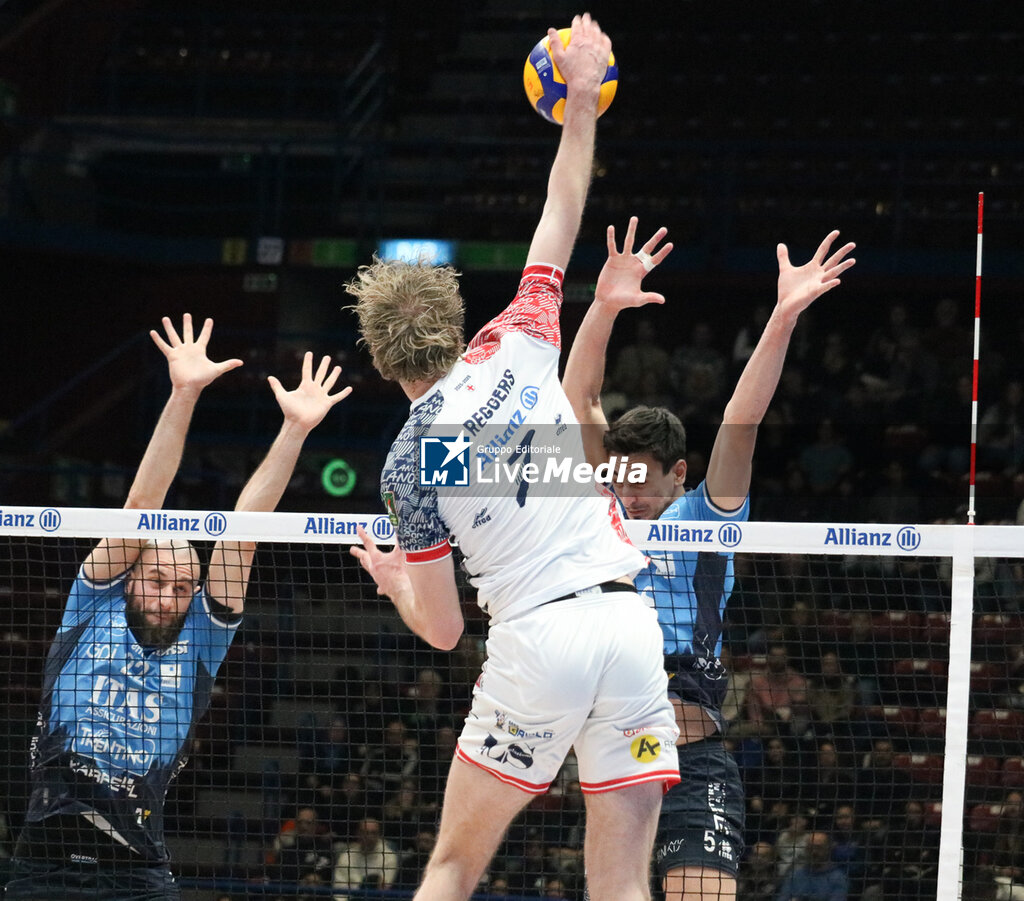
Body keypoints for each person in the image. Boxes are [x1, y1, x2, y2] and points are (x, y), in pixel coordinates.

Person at [346, 14, 680, 901]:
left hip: (539, 641)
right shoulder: (520, 335)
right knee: (621, 884)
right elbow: (563, 202)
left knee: (453, 867)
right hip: (629, 631)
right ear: (455, 325)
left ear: (383, 365)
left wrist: (394, 587)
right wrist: (578, 95)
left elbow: (448, 631)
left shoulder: (408, 463)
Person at [4, 315, 350, 901]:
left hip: (138, 873)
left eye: (182, 586)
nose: (168, 595)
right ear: (129, 573)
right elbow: (143, 503)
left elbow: (243, 533)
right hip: (44, 865)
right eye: (156, 579)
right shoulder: (91, 609)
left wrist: (293, 429)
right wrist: (184, 392)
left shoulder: (202, 643)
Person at [562, 217, 856, 901]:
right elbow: (580, 398)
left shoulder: (704, 516)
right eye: (620, 478)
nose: (629, 494)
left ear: (678, 473)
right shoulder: (602, 504)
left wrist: (782, 317)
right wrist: (603, 307)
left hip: (694, 755)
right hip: (614, 749)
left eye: (643, 480)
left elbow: (741, 418)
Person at [332, 818, 398, 900]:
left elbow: (383, 889)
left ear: (379, 835)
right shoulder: (346, 856)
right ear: (358, 834)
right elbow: (339, 891)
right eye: (365, 832)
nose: (369, 837)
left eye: (373, 833)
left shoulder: (389, 857)